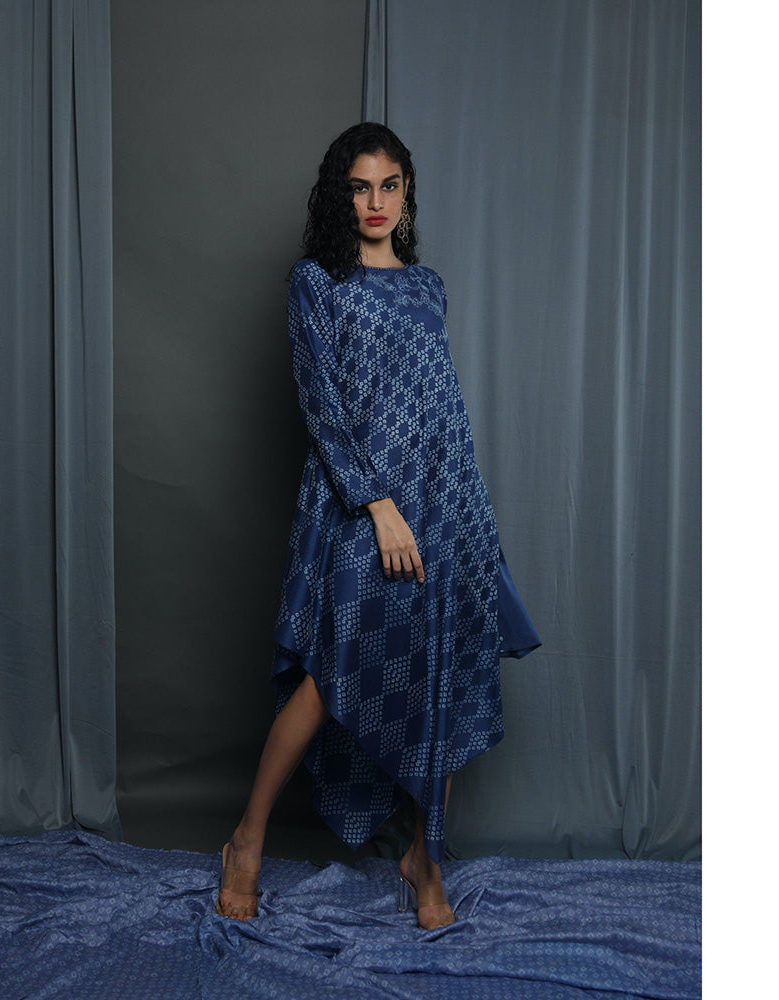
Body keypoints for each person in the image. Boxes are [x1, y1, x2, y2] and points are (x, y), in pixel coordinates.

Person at [216, 122, 542, 929]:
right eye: (360, 187)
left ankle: (425, 857)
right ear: (341, 195)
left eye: (389, 185)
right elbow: (321, 405)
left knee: (442, 668)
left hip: (442, 506)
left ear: (407, 193)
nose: (375, 202)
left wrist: (472, 523)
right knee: (332, 673)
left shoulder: (428, 287)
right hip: (357, 505)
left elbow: (444, 411)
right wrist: (377, 505)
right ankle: (247, 839)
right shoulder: (317, 284)